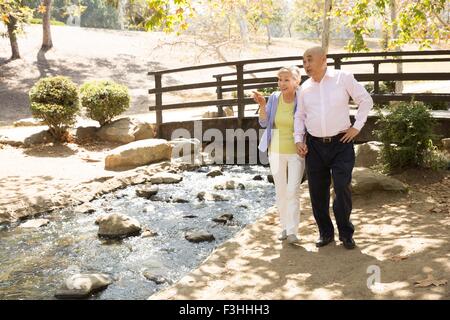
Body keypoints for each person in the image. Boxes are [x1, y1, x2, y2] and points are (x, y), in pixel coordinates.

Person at [294, 46, 373, 249]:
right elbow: (300, 116)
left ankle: (346, 233)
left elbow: (366, 100)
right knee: (317, 192)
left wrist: (357, 127)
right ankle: (325, 233)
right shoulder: (304, 88)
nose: (306, 65)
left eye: (310, 59)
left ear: (324, 59)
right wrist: (298, 140)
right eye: (304, 61)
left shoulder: (343, 78)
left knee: (341, 187)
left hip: (341, 143)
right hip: (314, 146)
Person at [254, 66, 305, 244]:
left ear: (296, 81)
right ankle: (284, 227)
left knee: (293, 191)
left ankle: (293, 231)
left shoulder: (303, 98)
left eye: (286, 79)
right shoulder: (275, 98)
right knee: (281, 190)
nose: (282, 83)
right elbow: (263, 122)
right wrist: (262, 104)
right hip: (275, 150)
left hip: (296, 152)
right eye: (280, 79)